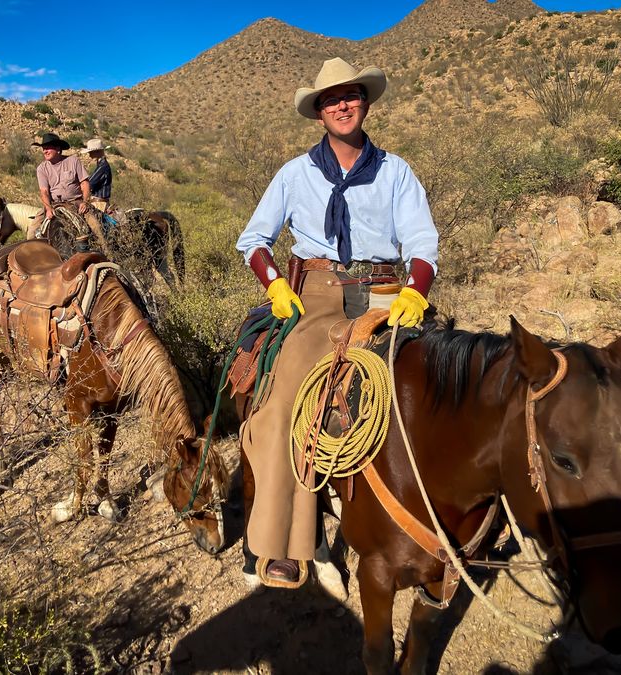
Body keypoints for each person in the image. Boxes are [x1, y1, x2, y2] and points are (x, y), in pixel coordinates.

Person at [235, 57, 439, 584]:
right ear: (319, 112)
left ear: (364, 103)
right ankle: (286, 542)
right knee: (287, 400)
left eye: (350, 95)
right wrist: (276, 284)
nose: (342, 105)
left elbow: (421, 242)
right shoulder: (294, 173)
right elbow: (254, 239)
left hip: (383, 289)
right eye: (331, 99)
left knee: (426, 390)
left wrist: (414, 294)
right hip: (320, 291)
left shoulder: (396, 171)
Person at [28, 132, 91, 241]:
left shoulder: (73, 161)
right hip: (54, 204)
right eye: (43, 148)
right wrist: (48, 208)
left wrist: (85, 202)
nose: (45, 151)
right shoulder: (42, 169)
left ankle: (106, 251)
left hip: (75, 202)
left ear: (58, 149)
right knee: (32, 232)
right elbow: (44, 191)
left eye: (48, 148)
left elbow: (84, 183)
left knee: (94, 224)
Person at [81, 138, 112, 211]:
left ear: (96, 152)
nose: (89, 154)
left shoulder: (103, 166)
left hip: (99, 205)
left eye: (91, 152)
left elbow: (90, 183)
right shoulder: (102, 165)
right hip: (99, 203)